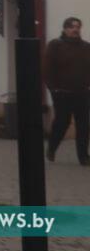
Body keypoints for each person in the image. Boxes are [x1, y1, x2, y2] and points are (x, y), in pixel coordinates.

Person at [45, 16, 90, 164]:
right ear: (65, 29)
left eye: (77, 27)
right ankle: (52, 148)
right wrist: (53, 88)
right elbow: (47, 68)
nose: (75, 29)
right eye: (71, 27)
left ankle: (83, 157)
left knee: (83, 125)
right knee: (62, 122)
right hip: (62, 93)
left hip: (82, 92)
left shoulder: (86, 47)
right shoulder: (55, 45)